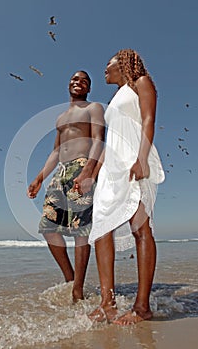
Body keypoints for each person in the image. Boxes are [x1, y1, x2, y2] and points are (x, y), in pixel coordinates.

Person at [88, 49, 165, 325]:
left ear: (122, 63)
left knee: (140, 228)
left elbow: (148, 120)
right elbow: (111, 141)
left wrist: (141, 158)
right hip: (112, 168)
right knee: (101, 229)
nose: (104, 69)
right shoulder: (116, 97)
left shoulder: (141, 82)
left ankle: (142, 307)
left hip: (134, 160)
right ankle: (107, 304)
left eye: (108, 64)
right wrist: (94, 174)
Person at [27, 71, 105, 302]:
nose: (77, 82)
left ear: (88, 88)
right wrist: (40, 177)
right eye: (74, 79)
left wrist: (88, 172)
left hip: (82, 168)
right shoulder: (60, 118)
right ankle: (70, 279)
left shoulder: (94, 108)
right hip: (61, 173)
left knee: (81, 231)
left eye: (83, 80)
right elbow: (56, 151)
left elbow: (99, 140)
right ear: (68, 83)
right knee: (49, 227)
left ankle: (78, 289)